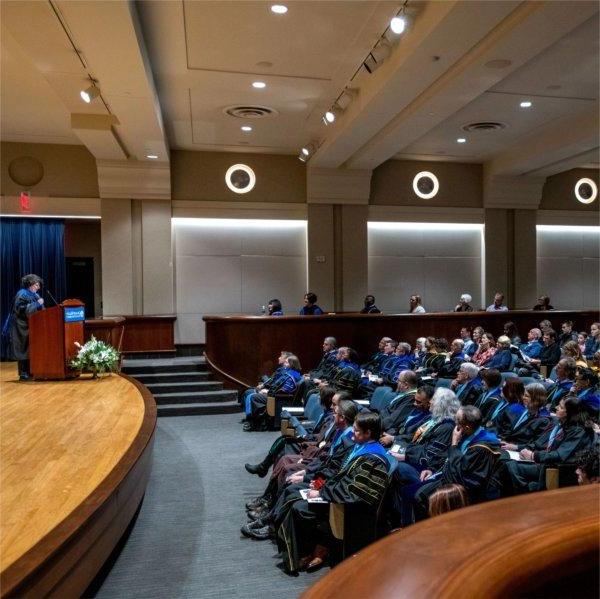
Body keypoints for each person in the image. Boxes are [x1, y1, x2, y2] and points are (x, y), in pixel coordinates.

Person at [277, 412, 392, 573]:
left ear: (368, 433)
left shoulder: (374, 459)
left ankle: (306, 553)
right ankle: (310, 550)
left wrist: (322, 493)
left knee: (299, 508)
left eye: (358, 431)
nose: (353, 433)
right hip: (337, 497)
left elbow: (353, 492)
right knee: (293, 496)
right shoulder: (359, 447)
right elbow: (338, 472)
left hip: (351, 511)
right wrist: (319, 485)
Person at [502, 396, 594, 494]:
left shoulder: (578, 431)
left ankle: (527, 496)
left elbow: (559, 455)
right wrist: (518, 447)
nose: (556, 408)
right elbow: (540, 444)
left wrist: (533, 455)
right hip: (546, 463)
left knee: (510, 466)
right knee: (504, 461)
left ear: (569, 413)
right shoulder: (560, 425)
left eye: (561, 407)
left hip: (559, 471)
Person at [243, 354, 303, 431]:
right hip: (274, 395)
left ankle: (254, 423)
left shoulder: (291, 376)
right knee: (252, 394)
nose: (284, 364)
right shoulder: (292, 373)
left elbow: (284, 391)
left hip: (278, 398)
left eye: (286, 362)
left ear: (292, 364)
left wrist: (268, 392)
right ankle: (256, 421)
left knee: (253, 397)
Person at [9, 274, 45, 381]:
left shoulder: (36, 295)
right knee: (23, 348)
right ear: (30, 285)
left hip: (33, 326)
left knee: (31, 348)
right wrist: (36, 304)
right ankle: (23, 372)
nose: (38, 287)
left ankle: (32, 370)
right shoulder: (22, 294)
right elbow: (20, 310)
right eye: (36, 285)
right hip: (21, 326)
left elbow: (42, 311)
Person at [500, 383, 551, 450]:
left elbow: (537, 444)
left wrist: (516, 447)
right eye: (524, 395)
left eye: (527, 396)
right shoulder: (525, 411)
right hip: (510, 444)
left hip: (521, 452)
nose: (523, 398)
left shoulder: (544, 420)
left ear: (536, 399)